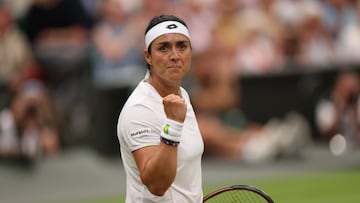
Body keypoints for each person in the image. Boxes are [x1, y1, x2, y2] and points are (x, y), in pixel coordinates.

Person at [117, 15, 203, 202]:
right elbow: (156, 185)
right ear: (148, 56)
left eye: (182, 46)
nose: (175, 55)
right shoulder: (138, 110)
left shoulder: (183, 95)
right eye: (163, 48)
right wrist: (172, 124)